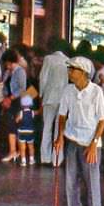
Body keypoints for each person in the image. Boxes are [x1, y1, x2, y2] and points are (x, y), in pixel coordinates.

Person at [54, 56, 104, 206]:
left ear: (84, 73)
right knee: (70, 181)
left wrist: (94, 144)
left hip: (90, 143)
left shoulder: (96, 91)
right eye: (69, 69)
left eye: (73, 69)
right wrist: (60, 136)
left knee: (92, 182)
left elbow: (102, 121)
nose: (69, 72)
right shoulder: (68, 90)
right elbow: (62, 115)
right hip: (72, 140)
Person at [38, 37, 70, 165]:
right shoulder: (68, 61)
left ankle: (45, 157)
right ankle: (57, 158)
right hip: (63, 98)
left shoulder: (48, 59)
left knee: (47, 127)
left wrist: (41, 94)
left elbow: (43, 78)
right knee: (59, 128)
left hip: (49, 98)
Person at [0, 47, 29, 163]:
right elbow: (4, 86)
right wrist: (5, 99)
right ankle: (14, 151)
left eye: (7, 63)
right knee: (10, 126)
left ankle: (17, 152)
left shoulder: (20, 72)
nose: (6, 65)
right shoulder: (8, 72)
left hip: (17, 102)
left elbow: (23, 89)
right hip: (9, 102)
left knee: (16, 126)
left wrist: (10, 98)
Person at [15, 93, 36, 166]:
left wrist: (17, 118)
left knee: (22, 147)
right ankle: (31, 159)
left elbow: (17, 120)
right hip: (30, 131)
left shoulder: (21, 113)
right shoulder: (32, 112)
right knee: (31, 147)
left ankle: (23, 161)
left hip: (22, 132)